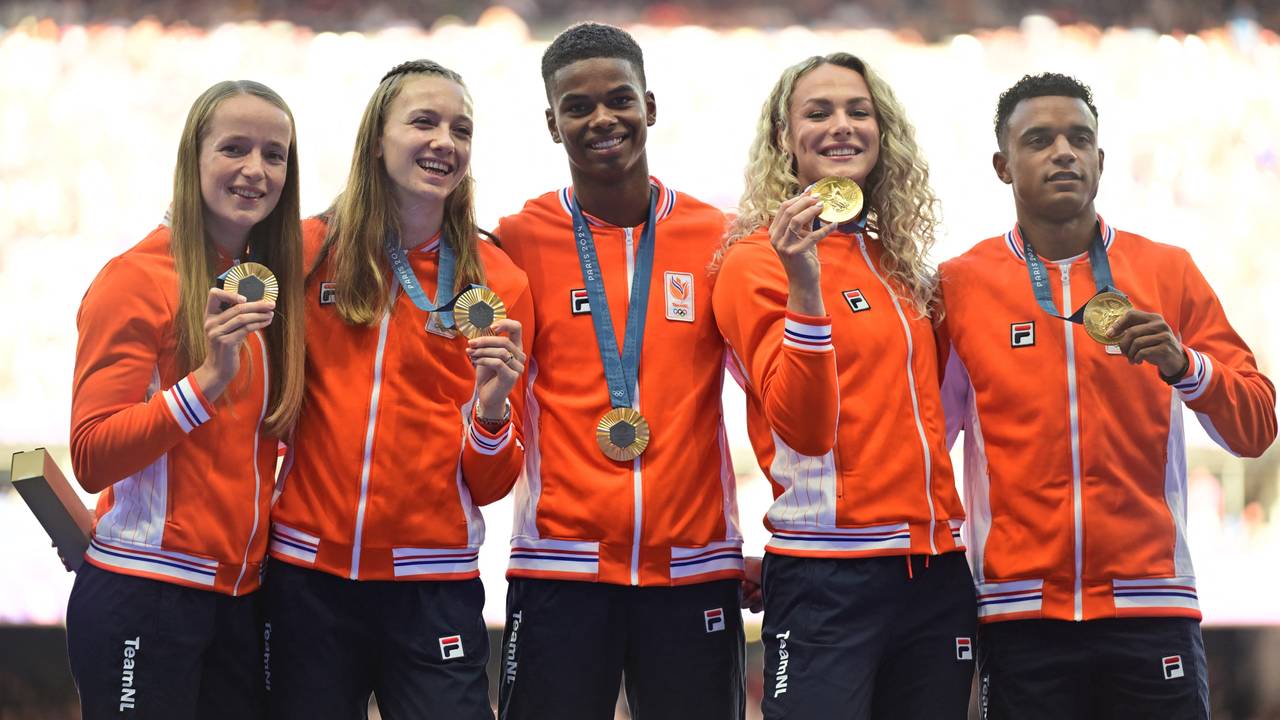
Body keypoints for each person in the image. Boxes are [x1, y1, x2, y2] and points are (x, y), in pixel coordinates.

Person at [938, 72, 1278, 719]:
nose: (1063, 152)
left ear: (1100, 159)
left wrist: (1187, 366)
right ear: (1002, 166)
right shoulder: (960, 286)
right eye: (1039, 140)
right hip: (1020, 611)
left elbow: (1258, 426)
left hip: (1151, 603)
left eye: (1079, 138)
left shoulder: (1167, 270)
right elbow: (924, 445)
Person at [262, 59, 532, 719]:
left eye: (461, 130)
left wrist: (492, 409)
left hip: (433, 585)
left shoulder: (497, 281)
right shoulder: (305, 252)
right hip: (307, 578)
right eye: (424, 122)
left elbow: (492, 485)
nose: (445, 141)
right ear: (377, 138)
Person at [493, 22, 745, 720]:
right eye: (577, 107)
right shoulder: (516, 240)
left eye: (619, 99)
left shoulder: (719, 238)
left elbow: (770, 391)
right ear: (553, 124)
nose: (601, 118)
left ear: (649, 107)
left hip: (692, 567)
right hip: (559, 567)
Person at [713, 53, 975, 719]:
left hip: (935, 569)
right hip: (827, 574)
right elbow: (803, 428)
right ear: (784, 137)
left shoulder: (899, 264)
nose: (842, 126)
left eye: (860, 111)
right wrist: (804, 286)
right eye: (818, 112)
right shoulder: (755, 262)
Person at [67, 79, 305, 719]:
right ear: (192, 158)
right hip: (145, 591)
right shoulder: (135, 279)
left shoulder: (263, 286)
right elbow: (92, 456)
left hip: (239, 598)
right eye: (234, 148)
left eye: (275, 155)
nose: (256, 170)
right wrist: (206, 382)